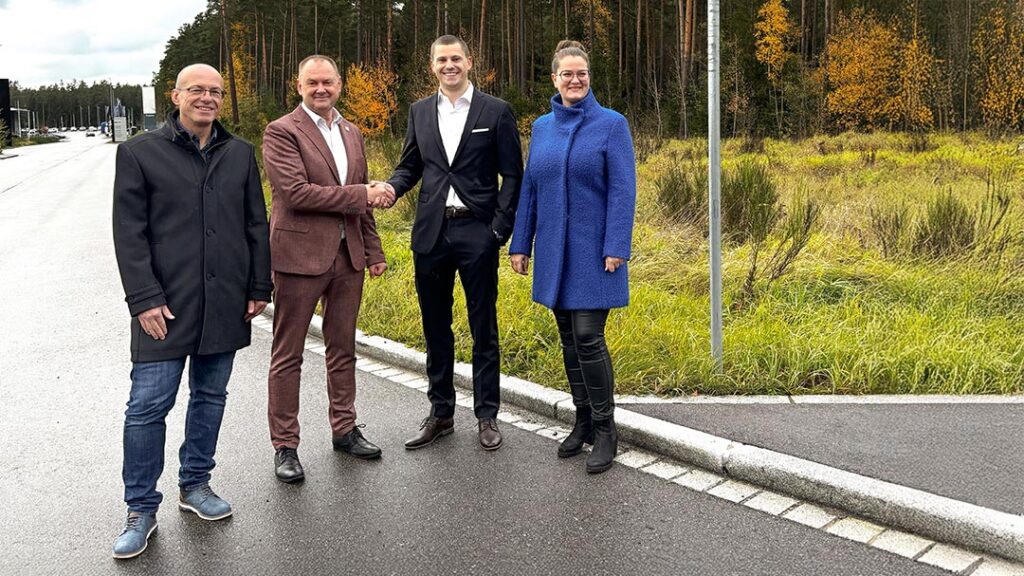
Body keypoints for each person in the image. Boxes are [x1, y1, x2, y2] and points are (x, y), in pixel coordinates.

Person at [111, 63, 272, 558]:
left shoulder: (239, 153)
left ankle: (195, 483)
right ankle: (141, 508)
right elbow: (129, 233)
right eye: (197, 90)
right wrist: (144, 299)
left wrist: (258, 285)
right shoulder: (139, 153)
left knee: (210, 396)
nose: (207, 98)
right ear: (175, 96)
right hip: (165, 305)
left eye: (216, 91)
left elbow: (255, 223)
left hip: (225, 302)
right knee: (147, 406)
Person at [384, 35, 523, 451]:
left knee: (483, 326)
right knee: (435, 327)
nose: (450, 65)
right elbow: (410, 166)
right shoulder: (419, 111)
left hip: (477, 231)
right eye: (442, 59)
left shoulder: (495, 111)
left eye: (456, 58)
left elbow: (512, 175)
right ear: (432, 66)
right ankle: (441, 412)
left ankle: (486, 415)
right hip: (431, 233)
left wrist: (498, 230)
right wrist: (390, 189)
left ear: (469, 61)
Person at [262, 55, 392, 484]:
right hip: (298, 259)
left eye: (328, 82)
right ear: (298, 85)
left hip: (348, 257)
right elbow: (296, 193)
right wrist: (362, 193)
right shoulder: (281, 131)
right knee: (288, 354)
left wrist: (373, 251)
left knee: (343, 348)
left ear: (340, 84)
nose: (321, 89)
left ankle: (345, 429)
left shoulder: (352, 132)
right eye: (312, 82)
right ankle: (286, 445)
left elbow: (362, 207)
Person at [508, 41, 636, 474]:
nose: (575, 80)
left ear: (589, 77)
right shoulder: (542, 127)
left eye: (581, 73)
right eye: (567, 74)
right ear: (554, 79)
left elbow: (623, 189)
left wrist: (617, 245)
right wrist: (521, 243)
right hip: (553, 251)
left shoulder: (611, 125)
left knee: (587, 336)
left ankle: (605, 429)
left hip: (595, 253)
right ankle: (581, 421)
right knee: (567, 337)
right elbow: (530, 188)